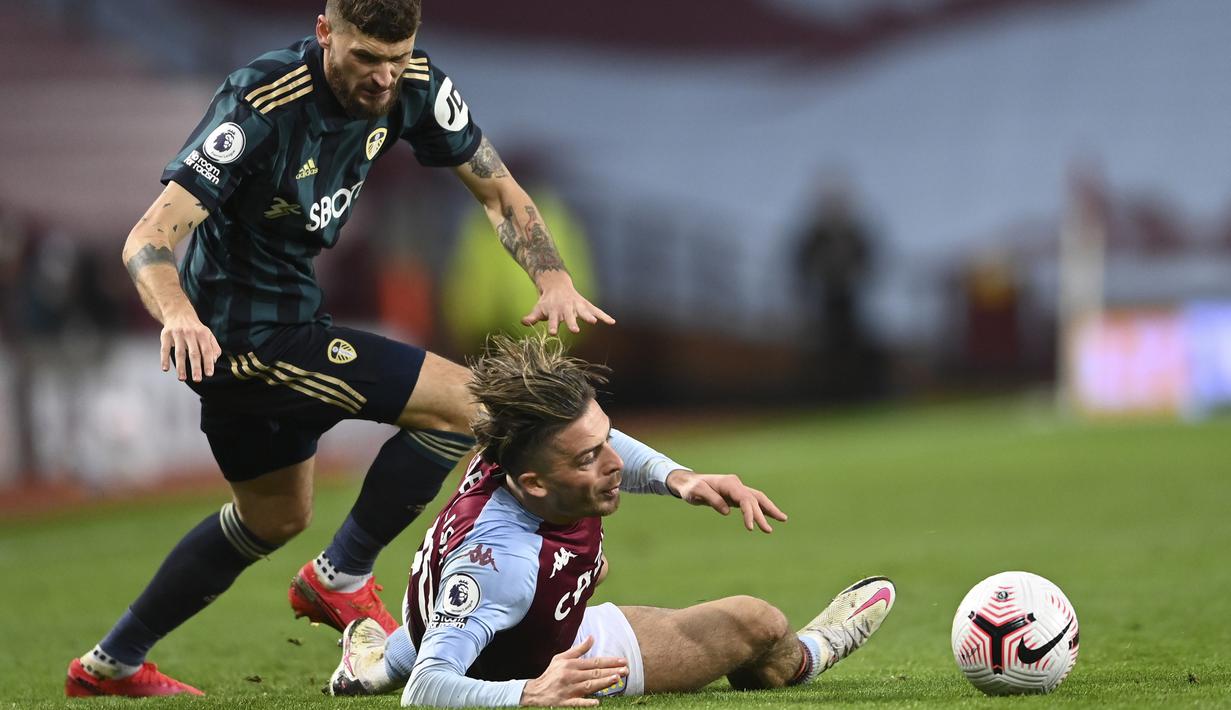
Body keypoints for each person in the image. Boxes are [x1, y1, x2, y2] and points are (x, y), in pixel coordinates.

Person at [66, 0, 613, 698]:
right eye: (365, 58)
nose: (384, 78)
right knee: (469, 407)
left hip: (293, 319)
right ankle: (342, 576)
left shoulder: (414, 84)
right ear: (326, 33)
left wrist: (552, 275)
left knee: (273, 516)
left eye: (396, 57)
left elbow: (499, 193)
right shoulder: (261, 101)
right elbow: (147, 237)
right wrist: (178, 316)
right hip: (241, 338)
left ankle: (110, 664)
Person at [326, 334, 896, 706]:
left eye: (604, 439)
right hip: (542, 661)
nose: (616, 462)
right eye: (588, 458)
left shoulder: (512, 448)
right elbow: (427, 689)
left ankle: (375, 663)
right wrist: (528, 695)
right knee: (760, 623)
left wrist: (681, 479)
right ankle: (809, 654)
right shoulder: (505, 564)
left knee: (479, 616)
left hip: (466, 618)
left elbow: (596, 437)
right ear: (534, 484)